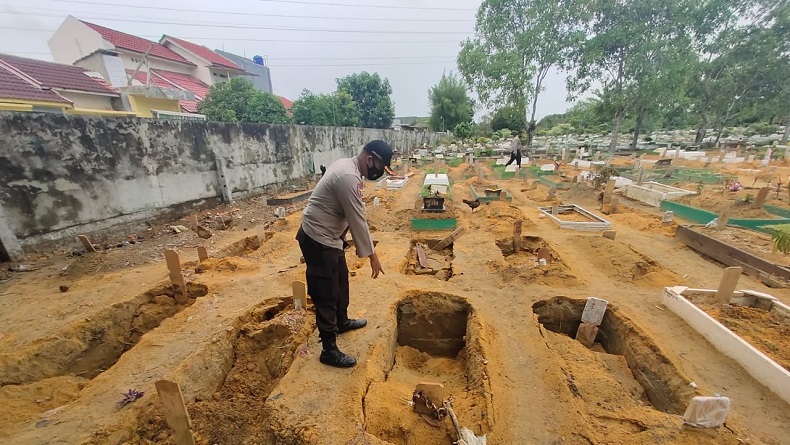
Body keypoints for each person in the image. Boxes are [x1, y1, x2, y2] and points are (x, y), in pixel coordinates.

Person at [296, 140, 393, 368]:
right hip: (318, 237)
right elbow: (357, 218)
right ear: (370, 159)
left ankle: (342, 321)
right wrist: (372, 256)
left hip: (330, 237)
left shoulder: (349, 168)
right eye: (380, 167)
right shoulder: (348, 177)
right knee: (326, 292)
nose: (378, 173)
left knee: (340, 281)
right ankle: (329, 349)